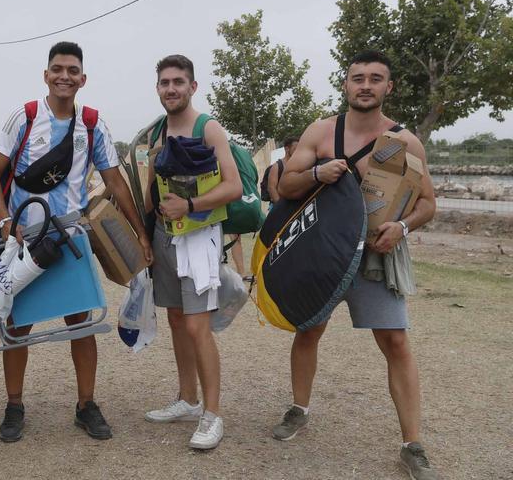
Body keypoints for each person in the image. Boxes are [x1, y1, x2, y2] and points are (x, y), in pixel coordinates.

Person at [276, 50, 438, 480]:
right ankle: (298, 409)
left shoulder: (405, 142)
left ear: (389, 87)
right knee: (308, 329)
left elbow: (427, 204)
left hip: (377, 256)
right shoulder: (322, 132)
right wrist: (316, 174)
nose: (365, 85)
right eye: (357, 78)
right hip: (323, 251)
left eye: (375, 78)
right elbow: (284, 186)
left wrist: (401, 228)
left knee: (396, 343)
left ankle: (412, 444)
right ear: (345, 84)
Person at [0, 41, 152, 443]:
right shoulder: (24, 117)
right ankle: (14, 405)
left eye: (72, 70)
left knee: (82, 325)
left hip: (72, 238)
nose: (64, 76)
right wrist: (7, 222)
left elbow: (114, 182)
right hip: (25, 241)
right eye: (57, 69)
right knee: (16, 325)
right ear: (46, 75)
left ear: (83, 78)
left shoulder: (92, 124)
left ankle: (86, 404)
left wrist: (140, 232)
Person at [142, 55, 242, 450]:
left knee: (199, 327)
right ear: (158, 89)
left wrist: (191, 205)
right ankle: (187, 399)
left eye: (178, 82)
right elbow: (151, 190)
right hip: (164, 237)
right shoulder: (155, 134)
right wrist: (142, 236)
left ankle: (212, 414)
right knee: (177, 320)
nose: (171, 88)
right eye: (165, 82)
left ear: (193, 87)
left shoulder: (209, 128)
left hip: (199, 238)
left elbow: (232, 186)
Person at [266, 136, 298, 205]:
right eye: (295, 149)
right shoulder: (277, 166)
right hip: (281, 205)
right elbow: (271, 188)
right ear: (287, 149)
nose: (297, 151)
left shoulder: (299, 164)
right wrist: (280, 206)